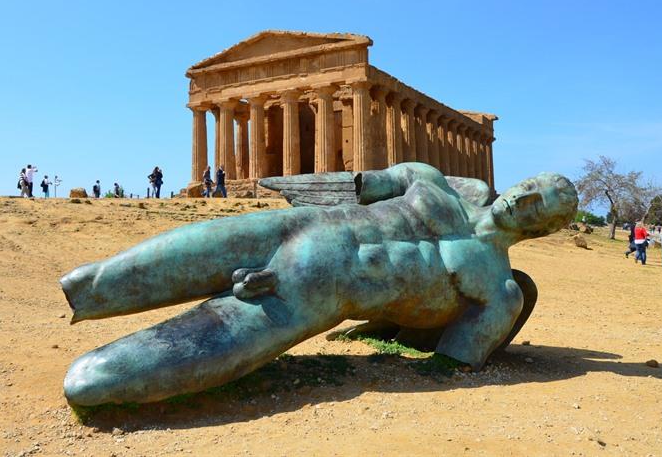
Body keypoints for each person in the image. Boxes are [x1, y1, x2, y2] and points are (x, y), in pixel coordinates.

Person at [60, 164, 578, 406]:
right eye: (528, 188)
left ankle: (97, 382)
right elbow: (354, 184)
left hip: (311, 297)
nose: (522, 201)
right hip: (295, 229)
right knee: (98, 281)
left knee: (94, 381)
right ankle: (84, 295)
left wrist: (405, 333)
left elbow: (455, 358)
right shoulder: (432, 181)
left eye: (539, 208)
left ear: (546, 229)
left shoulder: (499, 290)